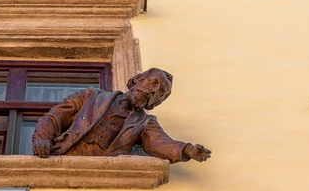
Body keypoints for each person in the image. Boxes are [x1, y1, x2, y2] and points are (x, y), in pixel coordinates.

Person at [32, 68, 211, 163]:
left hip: (102, 171)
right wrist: (43, 138)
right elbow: (54, 117)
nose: (153, 91)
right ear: (136, 80)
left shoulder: (145, 122)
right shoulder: (90, 96)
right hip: (62, 157)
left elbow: (159, 143)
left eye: (160, 92)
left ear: (156, 103)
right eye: (153, 82)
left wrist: (186, 150)